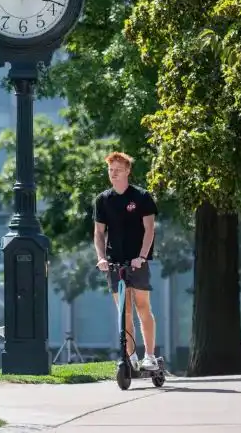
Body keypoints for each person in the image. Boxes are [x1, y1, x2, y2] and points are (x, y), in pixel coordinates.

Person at [93, 151, 159, 371]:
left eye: (117, 170)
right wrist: (101, 258)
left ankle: (149, 356)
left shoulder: (141, 197)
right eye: (110, 170)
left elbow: (149, 228)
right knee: (124, 311)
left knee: (142, 306)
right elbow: (99, 233)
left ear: (128, 171)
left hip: (137, 261)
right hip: (114, 262)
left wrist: (142, 256)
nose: (113, 174)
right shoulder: (103, 200)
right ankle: (130, 357)